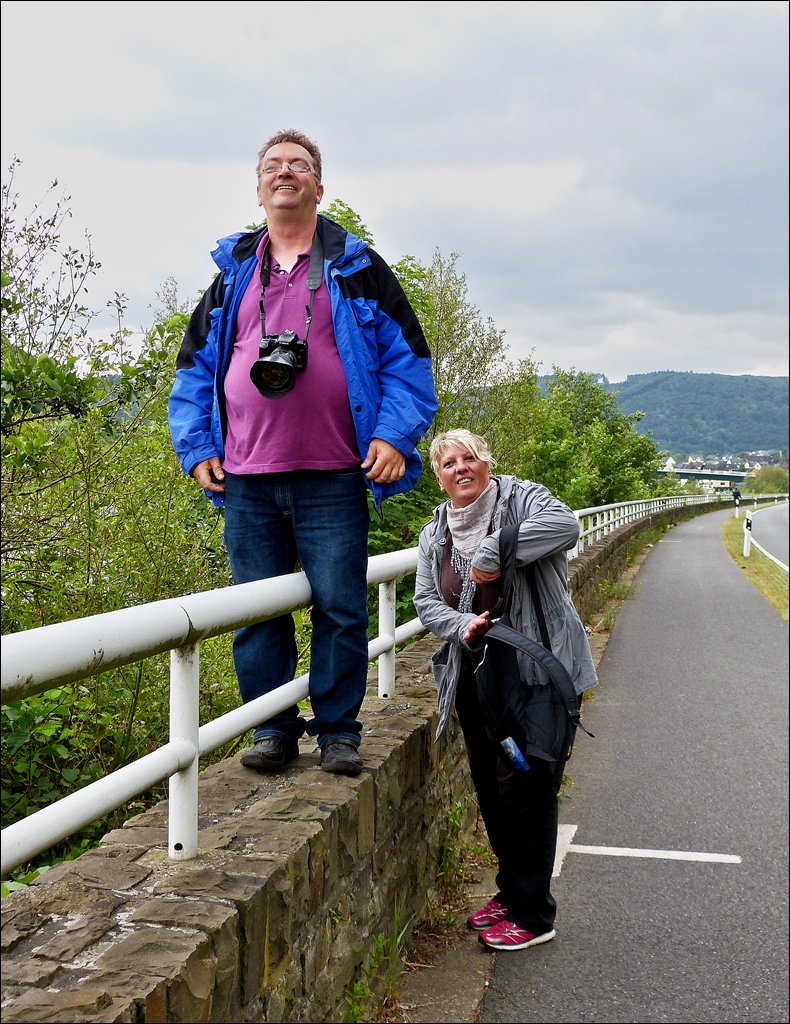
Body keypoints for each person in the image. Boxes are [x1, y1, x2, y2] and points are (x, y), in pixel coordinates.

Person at [169, 129, 436, 776]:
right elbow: (193, 371)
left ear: (319, 186)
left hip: (334, 471)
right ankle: (273, 729)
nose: (284, 173)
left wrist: (394, 437)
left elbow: (410, 364)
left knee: (339, 605)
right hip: (246, 476)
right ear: (258, 188)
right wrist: (197, 444)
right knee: (256, 612)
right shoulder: (233, 275)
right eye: (272, 166)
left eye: (299, 165)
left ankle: (339, 730)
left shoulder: (358, 267)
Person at [413, 429, 597, 950]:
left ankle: (535, 915)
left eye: (469, 457)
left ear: (486, 462)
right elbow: (426, 602)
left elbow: (566, 525)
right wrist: (459, 626)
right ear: (440, 476)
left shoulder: (524, 499)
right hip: (477, 678)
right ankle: (512, 891)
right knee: (492, 788)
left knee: (528, 788)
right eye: (449, 462)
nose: (461, 467)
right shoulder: (436, 532)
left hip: (538, 672)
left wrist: (497, 548)